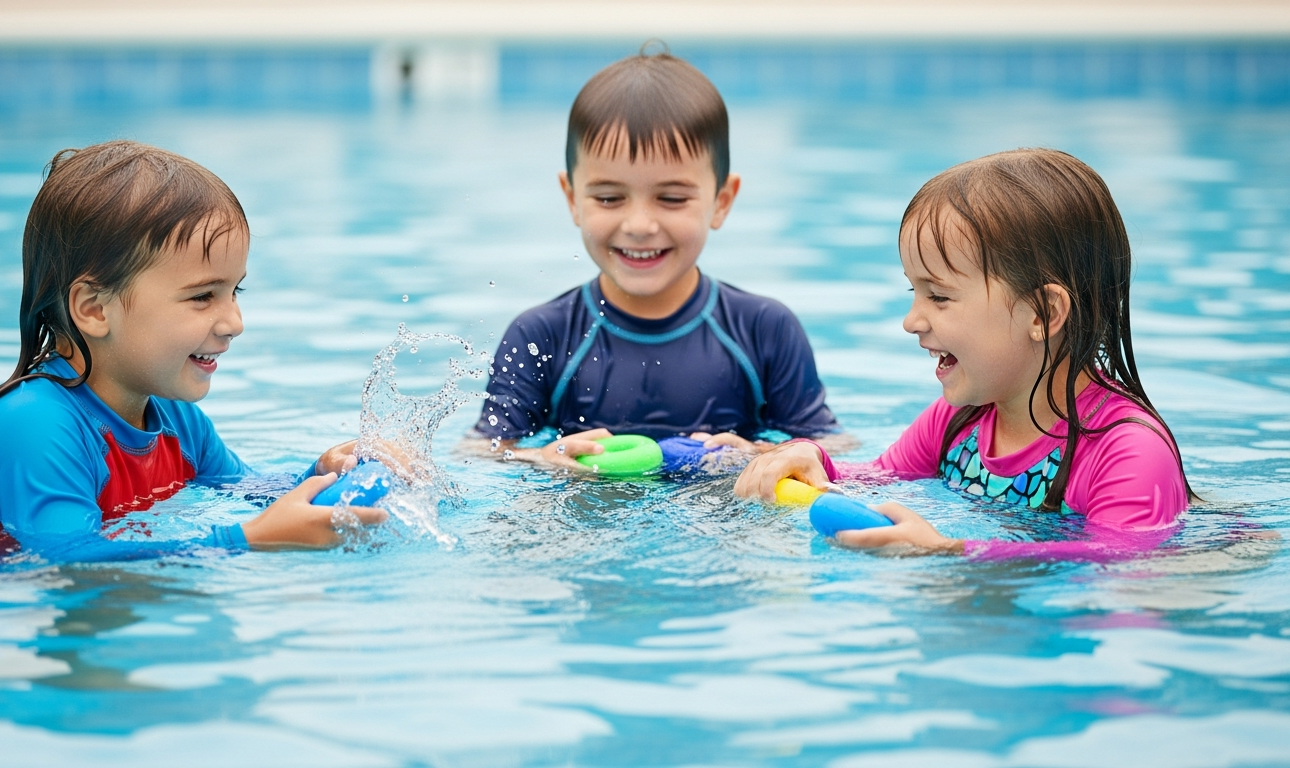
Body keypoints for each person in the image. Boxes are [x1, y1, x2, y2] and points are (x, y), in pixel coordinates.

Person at [734, 148, 1192, 560]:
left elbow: (1125, 566)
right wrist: (808, 457)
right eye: (914, 292)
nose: (911, 321)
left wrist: (951, 550)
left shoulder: (1127, 451)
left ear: (1043, 313)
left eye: (939, 297)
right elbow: (880, 476)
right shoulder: (959, 422)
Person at [0, 140, 386, 561]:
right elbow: (67, 561)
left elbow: (247, 490)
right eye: (203, 296)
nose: (235, 323)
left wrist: (323, 473)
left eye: (235, 291)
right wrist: (245, 541)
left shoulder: (177, 421)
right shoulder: (34, 423)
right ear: (94, 309)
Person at [472, 46, 847, 468]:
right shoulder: (541, 336)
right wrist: (542, 459)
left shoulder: (764, 330)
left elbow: (832, 447)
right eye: (609, 197)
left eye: (671, 198)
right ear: (572, 198)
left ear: (722, 201)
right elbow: (482, 453)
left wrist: (759, 455)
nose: (640, 225)